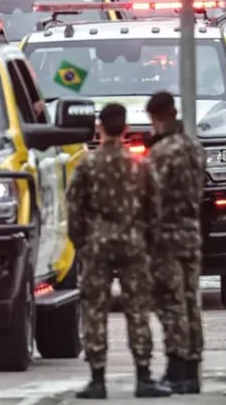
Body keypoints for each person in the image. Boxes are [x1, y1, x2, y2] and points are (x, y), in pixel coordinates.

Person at [67, 103, 171, 400]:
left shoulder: (88, 165)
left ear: (100, 128)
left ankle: (97, 379)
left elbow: (74, 210)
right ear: (125, 128)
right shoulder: (140, 165)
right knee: (137, 310)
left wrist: (82, 243)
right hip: (133, 245)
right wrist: (148, 243)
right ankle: (143, 376)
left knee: (95, 311)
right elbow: (155, 211)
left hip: (97, 245)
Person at [145, 91, 206, 394]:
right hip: (191, 233)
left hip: (166, 238)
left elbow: (151, 198)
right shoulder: (194, 147)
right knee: (191, 302)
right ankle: (193, 370)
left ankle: (176, 367)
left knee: (171, 304)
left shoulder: (162, 153)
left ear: (155, 117)